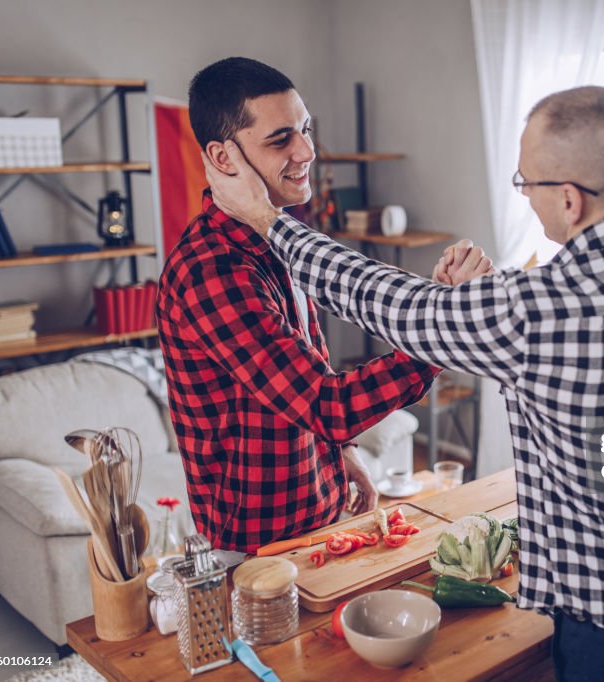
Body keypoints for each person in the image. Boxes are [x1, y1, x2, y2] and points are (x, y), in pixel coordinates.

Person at [205, 85, 604, 680]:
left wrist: (267, 220)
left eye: (525, 184)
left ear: (571, 200)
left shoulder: (531, 314)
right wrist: (489, 300)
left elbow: (374, 295)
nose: (524, 197)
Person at [156, 57, 489, 554]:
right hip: (257, 548)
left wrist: (342, 452)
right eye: (280, 139)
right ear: (223, 158)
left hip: (319, 509)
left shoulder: (279, 238)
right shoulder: (211, 272)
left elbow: (304, 367)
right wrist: (440, 331)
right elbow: (326, 403)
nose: (307, 151)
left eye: (306, 129)